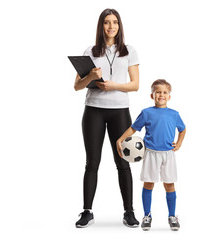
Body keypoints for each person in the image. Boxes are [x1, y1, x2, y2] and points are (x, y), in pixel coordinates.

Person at [74, 9, 140, 228]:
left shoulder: (129, 51)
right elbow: (77, 86)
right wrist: (91, 76)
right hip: (93, 110)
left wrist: (113, 85)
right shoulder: (90, 51)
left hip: (119, 111)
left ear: (119, 26)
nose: (111, 26)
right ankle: (87, 212)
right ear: (100, 26)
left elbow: (135, 85)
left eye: (114, 22)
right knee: (92, 163)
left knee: (123, 163)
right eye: (106, 23)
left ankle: (129, 212)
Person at [116, 79, 186, 231]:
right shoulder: (147, 113)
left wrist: (179, 143)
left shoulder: (174, 114)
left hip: (168, 154)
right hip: (151, 154)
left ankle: (172, 216)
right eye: (158, 92)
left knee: (169, 184)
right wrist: (121, 138)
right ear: (152, 95)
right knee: (148, 183)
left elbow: (183, 129)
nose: (161, 95)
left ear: (169, 96)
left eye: (165, 92)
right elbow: (134, 128)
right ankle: (147, 215)